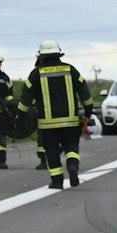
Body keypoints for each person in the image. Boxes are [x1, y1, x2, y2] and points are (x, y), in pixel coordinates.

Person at [24, 40, 92, 189]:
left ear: (41, 56)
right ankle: (72, 165)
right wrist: (88, 113)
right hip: (70, 121)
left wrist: (21, 116)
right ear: (58, 53)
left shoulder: (36, 73)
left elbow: (25, 99)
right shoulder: (70, 69)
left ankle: (57, 181)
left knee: (52, 151)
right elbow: (85, 94)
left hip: (48, 124)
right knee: (72, 146)